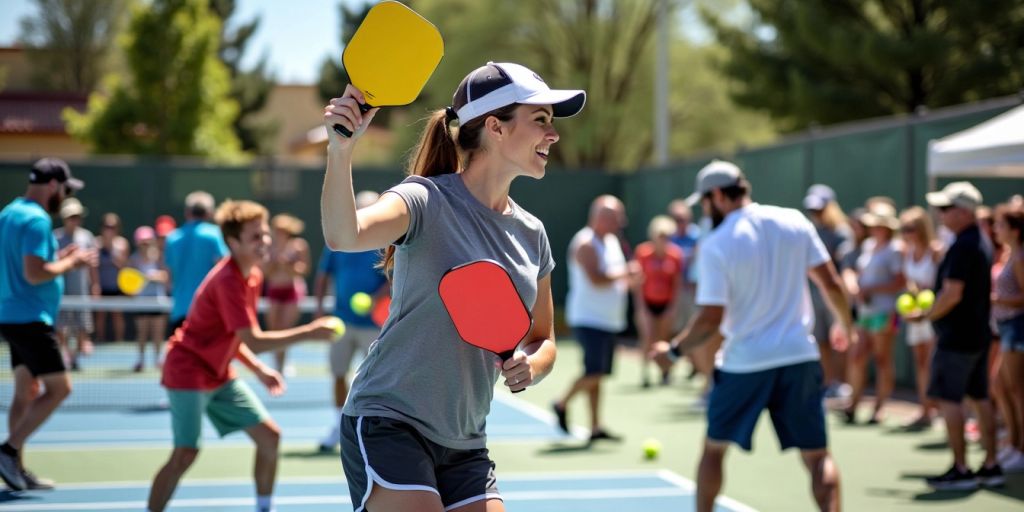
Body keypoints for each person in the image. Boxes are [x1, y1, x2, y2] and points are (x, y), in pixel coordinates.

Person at [322, 61, 575, 511]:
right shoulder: (424, 200)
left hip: (466, 441)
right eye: (540, 121)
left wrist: (532, 367)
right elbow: (345, 235)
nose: (552, 135)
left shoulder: (532, 233)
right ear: (495, 127)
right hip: (388, 420)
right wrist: (341, 151)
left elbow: (543, 338)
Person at [651, 160, 855, 512]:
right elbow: (832, 285)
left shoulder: (717, 243)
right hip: (799, 357)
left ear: (718, 195)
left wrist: (672, 352)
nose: (704, 209)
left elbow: (710, 320)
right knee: (818, 456)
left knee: (713, 449)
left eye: (704, 201)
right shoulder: (794, 221)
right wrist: (846, 328)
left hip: (744, 363)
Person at [146, 200, 339, 512]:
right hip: (188, 370)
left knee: (270, 438)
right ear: (233, 243)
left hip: (219, 373)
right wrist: (309, 331)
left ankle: (264, 507)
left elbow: (236, 338)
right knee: (185, 453)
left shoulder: (253, 276)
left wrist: (259, 369)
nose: (264, 242)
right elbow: (254, 339)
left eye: (264, 234)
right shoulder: (227, 281)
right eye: (255, 237)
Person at [0, 158, 94, 491]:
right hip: (29, 320)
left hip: (12, 315)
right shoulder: (37, 219)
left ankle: (16, 469)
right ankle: (8, 452)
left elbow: (30, 264)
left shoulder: (9, 212)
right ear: (53, 186)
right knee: (60, 389)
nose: (66, 197)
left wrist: (59, 258)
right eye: (66, 189)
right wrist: (72, 261)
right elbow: (34, 272)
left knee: (26, 392)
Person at [917, 181, 1003, 490]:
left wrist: (926, 316)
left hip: (958, 337)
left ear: (965, 212)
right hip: (976, 334)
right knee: (981, 398)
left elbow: (952, 294)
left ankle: (961, 469)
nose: (940, 214)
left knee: (950, 399)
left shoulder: (966, 244)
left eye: (946, 208)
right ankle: (991, 466)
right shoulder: (975, 240)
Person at [313, 190, 388, 453]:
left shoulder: (385, 243)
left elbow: (394, 280)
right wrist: (321, 310)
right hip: (341, 322)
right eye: (360, 209)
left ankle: (374, 431)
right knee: (338, 375)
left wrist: (374, 297)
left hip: (374, 326)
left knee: (376, 380)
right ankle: (337, 426)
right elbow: (323, 275)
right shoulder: (338, 241)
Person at [554, 195, 629, 443]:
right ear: (601, 217)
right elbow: (597, 278)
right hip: (589, 319)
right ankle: (561, 403)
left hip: (608, 319)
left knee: (598, 375)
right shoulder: (585, 243)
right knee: (595, 371)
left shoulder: (611, 242)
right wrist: (627, 273)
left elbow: (613, 276)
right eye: (616, 217)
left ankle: (596, 426)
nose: (621, 222)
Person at [843, 202, 904, 425]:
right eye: (873, 224)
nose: (875, 228)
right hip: (865, 311)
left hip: (886, 311)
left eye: (880, 225)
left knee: (882, 359)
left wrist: (871, 289)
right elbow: (861, 273)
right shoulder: (869, 245)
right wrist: (856, 286)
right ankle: (853, 403)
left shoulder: (895, 249)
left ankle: (879, 407)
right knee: (857, 355)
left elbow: (900, 281)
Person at [803, 185, 851, 399]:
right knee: (821, 340)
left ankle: (842, 382)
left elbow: (842, 266)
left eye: (820, 209)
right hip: (814, 295)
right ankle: (828, 380)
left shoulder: (841, 232)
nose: (816, 214)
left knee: (840, 340)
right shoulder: (811, 230)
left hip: (833, 295)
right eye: (813, 210)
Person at [898, 206, 943, 429]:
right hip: (914, 314)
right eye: (903, 229)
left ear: (922, 228)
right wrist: (913, 292)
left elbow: (943, 282)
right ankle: (925, 407)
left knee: (933, 361)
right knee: (920, 361)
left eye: (910, 228)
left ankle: (939, 408)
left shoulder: (935, 251)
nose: (906, 233)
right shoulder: (907, 251)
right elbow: (909, 280)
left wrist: (928, 296)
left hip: (933, 315)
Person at [164, 191, 228, 335]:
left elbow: (168, 280)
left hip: (179, 311)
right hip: (209, 313)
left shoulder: (172, 238)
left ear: (187, 212)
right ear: (209, 213)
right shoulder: (215, 234)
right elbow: (225, 268)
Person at [991, 202, 1024, 472]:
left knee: (1017, 390)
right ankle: (1013, 444)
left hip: (1017, 328)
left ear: (1014, 229)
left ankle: (1021, 449)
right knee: (1000, 386)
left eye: (1000, 225)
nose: (995, 229)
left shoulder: (1021, 257)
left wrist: (996, 298)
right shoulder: (1009, 254)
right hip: (1006, 329)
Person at [632, 215, 683, 388]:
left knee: (664, 339)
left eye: (667, 236)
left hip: (666, 305)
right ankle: (645, 373)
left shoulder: (675, 255)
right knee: (647, 338)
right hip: (647, 304)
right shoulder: (643, 253)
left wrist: (673, 307)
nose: (663, 239)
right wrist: (641, 307)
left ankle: (665, 372)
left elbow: (677, 283)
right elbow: (638, 282)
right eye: (660, 235)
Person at [53, 198, 99, 371]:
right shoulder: (55, 237)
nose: (74, 220)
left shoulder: (86, 236)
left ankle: (74, 357)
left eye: (77, 216)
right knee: (61, 326)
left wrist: (95, 285)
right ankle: (65, 354)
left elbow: (93, 264)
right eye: (71, 216)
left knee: (81, 326)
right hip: (60, 291)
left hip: (81, 290)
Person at [264, 213, 311, 375]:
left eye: (281, 230)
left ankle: (283, 362)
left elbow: (303, 269)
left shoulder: (298, 245)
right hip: (274, 291)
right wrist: (274, 262)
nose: (278, 233)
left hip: (292, 291)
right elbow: (266, 273)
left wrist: (287, 265)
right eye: (276, 230)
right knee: (273, 329)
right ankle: (276, 361)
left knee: (285, 328)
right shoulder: (269, 247)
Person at [129, 226, 169, 372]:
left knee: (158, 332)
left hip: (158, 301)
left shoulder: (159, 257)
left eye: (147, 242)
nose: (145, 245)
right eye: (142, 242)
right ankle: (140, 360)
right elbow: (130, 281)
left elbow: (166, 276)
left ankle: (158, 359)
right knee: (142, 332)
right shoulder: (133, 259)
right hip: (141, 302)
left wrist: (153, 276)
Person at [94, 212, 129, 343]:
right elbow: (93, 267)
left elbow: (124, 266)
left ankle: (119, 340)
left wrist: (111, 251)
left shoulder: (122, 244)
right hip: (101, 286)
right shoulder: (96, 244)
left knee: (117, 314)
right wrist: (95, 285)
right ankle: (99, 338)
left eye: (113, 227)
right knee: (100, 315)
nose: (109, 230)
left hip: (116, 286)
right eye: (107, 226)